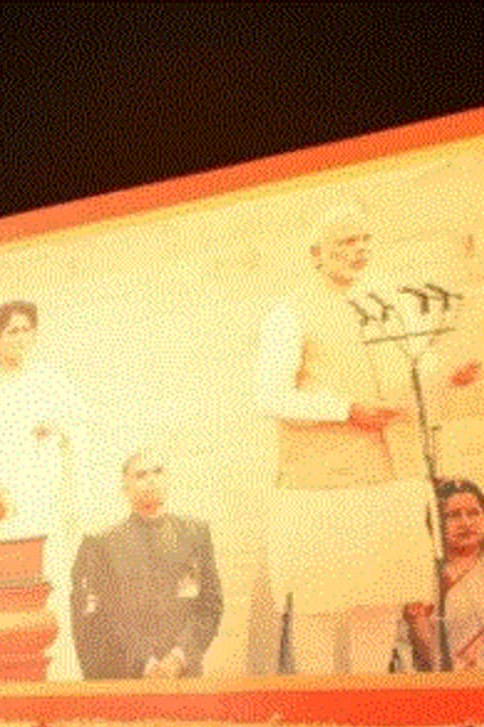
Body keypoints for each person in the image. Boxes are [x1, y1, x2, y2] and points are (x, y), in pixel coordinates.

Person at [255, 204, 435, 674]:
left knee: (380, 601)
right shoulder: (289, 313)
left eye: (364, 239)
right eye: (346, 242)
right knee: (318, 604)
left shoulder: (388, 305)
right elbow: (269, 396)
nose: (359, 250)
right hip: (322, 488)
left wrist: (446, 376)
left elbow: (416, 369)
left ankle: (370, 697)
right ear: (317, 254)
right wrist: (345, 410)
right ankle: (319, 704)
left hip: (389, 479)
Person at [0, 300, 90, 681]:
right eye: (12, 331)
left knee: (50, 591)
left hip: (42, 508)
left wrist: (58, 428)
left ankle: (53, 683)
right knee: (1, 602)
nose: (21, 337)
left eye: (27, 330)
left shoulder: (50, 381)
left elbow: (79, 428)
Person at [70, 450, 223, 680]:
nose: (151, 480)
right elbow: (98, 620)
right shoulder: (102, 544)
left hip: (183, 675)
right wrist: (145, 663)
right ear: (125, 488)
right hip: (127, 676)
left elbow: (210, 606)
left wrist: (179, 657)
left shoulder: (195, 534)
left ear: (168, 479)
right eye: (141, 475)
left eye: (158, 472)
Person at [404, 478, 484, 671]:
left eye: (473, 513)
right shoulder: (420, 580)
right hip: (441, 683)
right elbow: (424, 658)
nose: (466, 523)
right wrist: (418, 623)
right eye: (454, 515)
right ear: (435, 524)